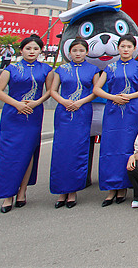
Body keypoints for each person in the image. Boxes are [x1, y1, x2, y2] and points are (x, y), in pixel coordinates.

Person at [0, 34, 53, 213]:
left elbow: (50, 91)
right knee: (8, 155)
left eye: (35, 48)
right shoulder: (11, 69)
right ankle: (7, 195)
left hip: (33, 114)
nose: (32, 51)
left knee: (28, 153)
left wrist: (36, 102)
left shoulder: (46, 69)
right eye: (28, 48)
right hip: (12, 115)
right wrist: (16, 104)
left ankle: (22, 192)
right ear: (21, 50)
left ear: (41, 51)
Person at [94, 36, 138, 207]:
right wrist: (113, 97)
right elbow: (97, 89)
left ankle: (123, 187)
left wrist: (130, 96)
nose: (126, 49)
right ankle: (111, 189)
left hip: (131, 110)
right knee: (109, 148)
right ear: (118, 48)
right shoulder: (110, 67)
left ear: (134, 49)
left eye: (129, 47)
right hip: (112, 111)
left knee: (127, 147)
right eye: (123, 46)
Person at [48, 38, 100, 208]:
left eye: (81, 51)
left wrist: (80, 102)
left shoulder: (93, 69)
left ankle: (73, 192)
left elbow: (96, 91)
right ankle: (61, 191)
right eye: (75, 51)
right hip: (63, 112)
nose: (78, 54)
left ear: (87, 52)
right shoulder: (61, 69)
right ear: (69, 52)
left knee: (78, 150)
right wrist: (63, 101)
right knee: (61, 151)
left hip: (82, 112)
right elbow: (53, 90)